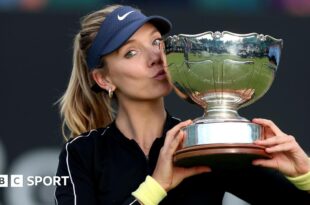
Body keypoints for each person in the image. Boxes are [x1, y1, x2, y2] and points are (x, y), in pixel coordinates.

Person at [55, 4, 310, 205]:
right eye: (131, 52)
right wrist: (155, 188)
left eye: (156, 42)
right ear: (104, 78)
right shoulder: (82, 153)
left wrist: (305, 175)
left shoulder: (201, 143)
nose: (156, 56)